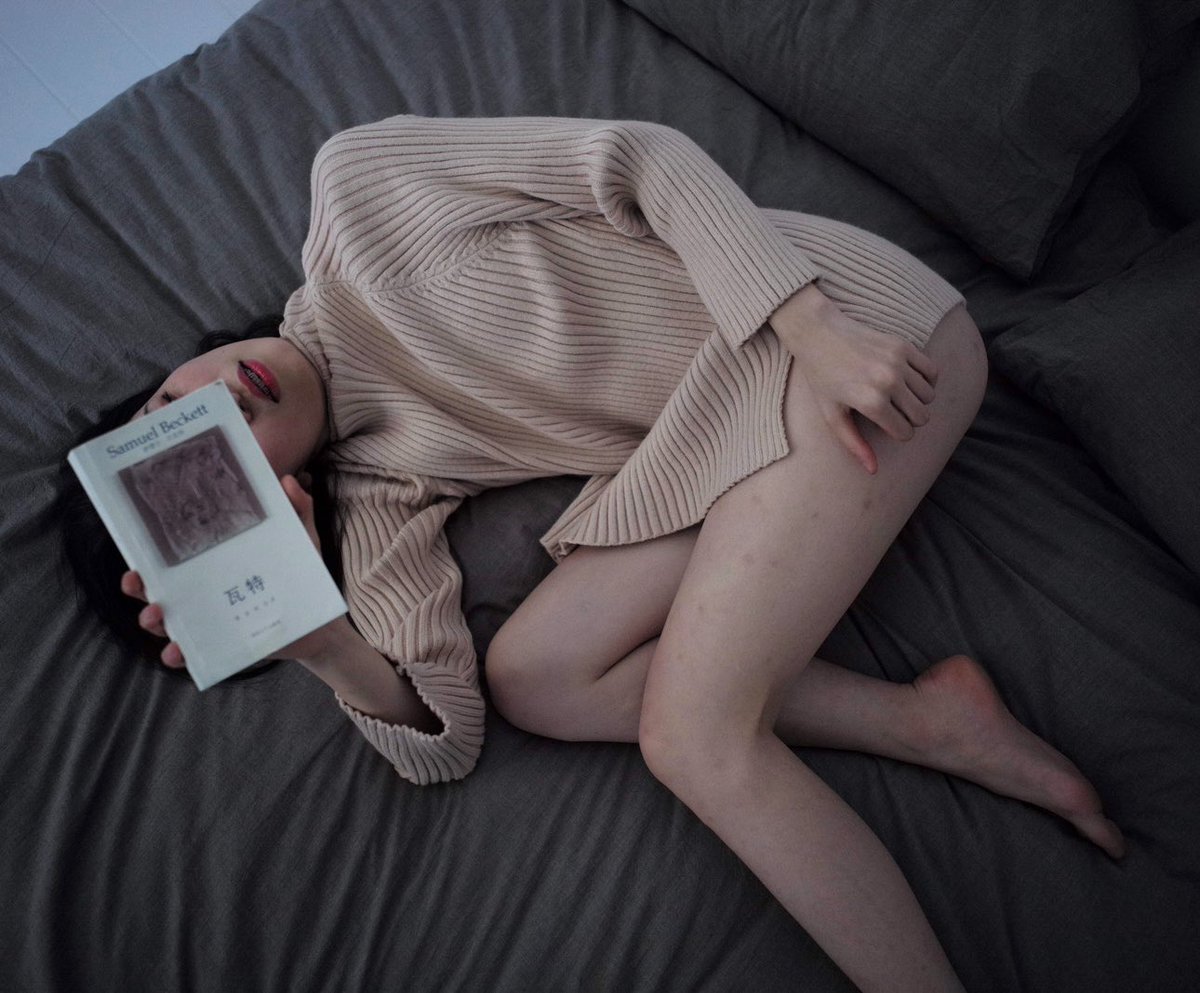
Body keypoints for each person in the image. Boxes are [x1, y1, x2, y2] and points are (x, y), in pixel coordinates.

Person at [60, 114, 1126, 993]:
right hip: (719, 438)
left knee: (696, 738)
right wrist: (316, 635)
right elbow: (443, 735)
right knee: (534, 677)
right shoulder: (379, 488)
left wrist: (812, 330)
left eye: (167, 407)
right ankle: (928, 720)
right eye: (206, 463)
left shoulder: (357, 187)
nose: (214, 409)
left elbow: (640, 157)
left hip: (849, 337)